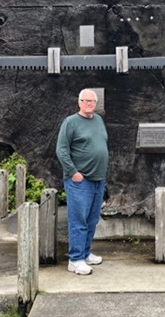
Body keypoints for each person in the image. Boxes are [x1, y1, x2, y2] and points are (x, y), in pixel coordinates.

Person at [56, 88, 109, 275]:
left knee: (92, 219)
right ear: (79, 102)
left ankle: (86, 253)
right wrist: (73, 172)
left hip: (98, 179)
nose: (89, 104)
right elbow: (61, 149)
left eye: (92, 101)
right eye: (86, 101)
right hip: (80, 180)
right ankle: (75, 259)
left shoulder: (98, 120)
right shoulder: (70, 122)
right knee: (78, 220)